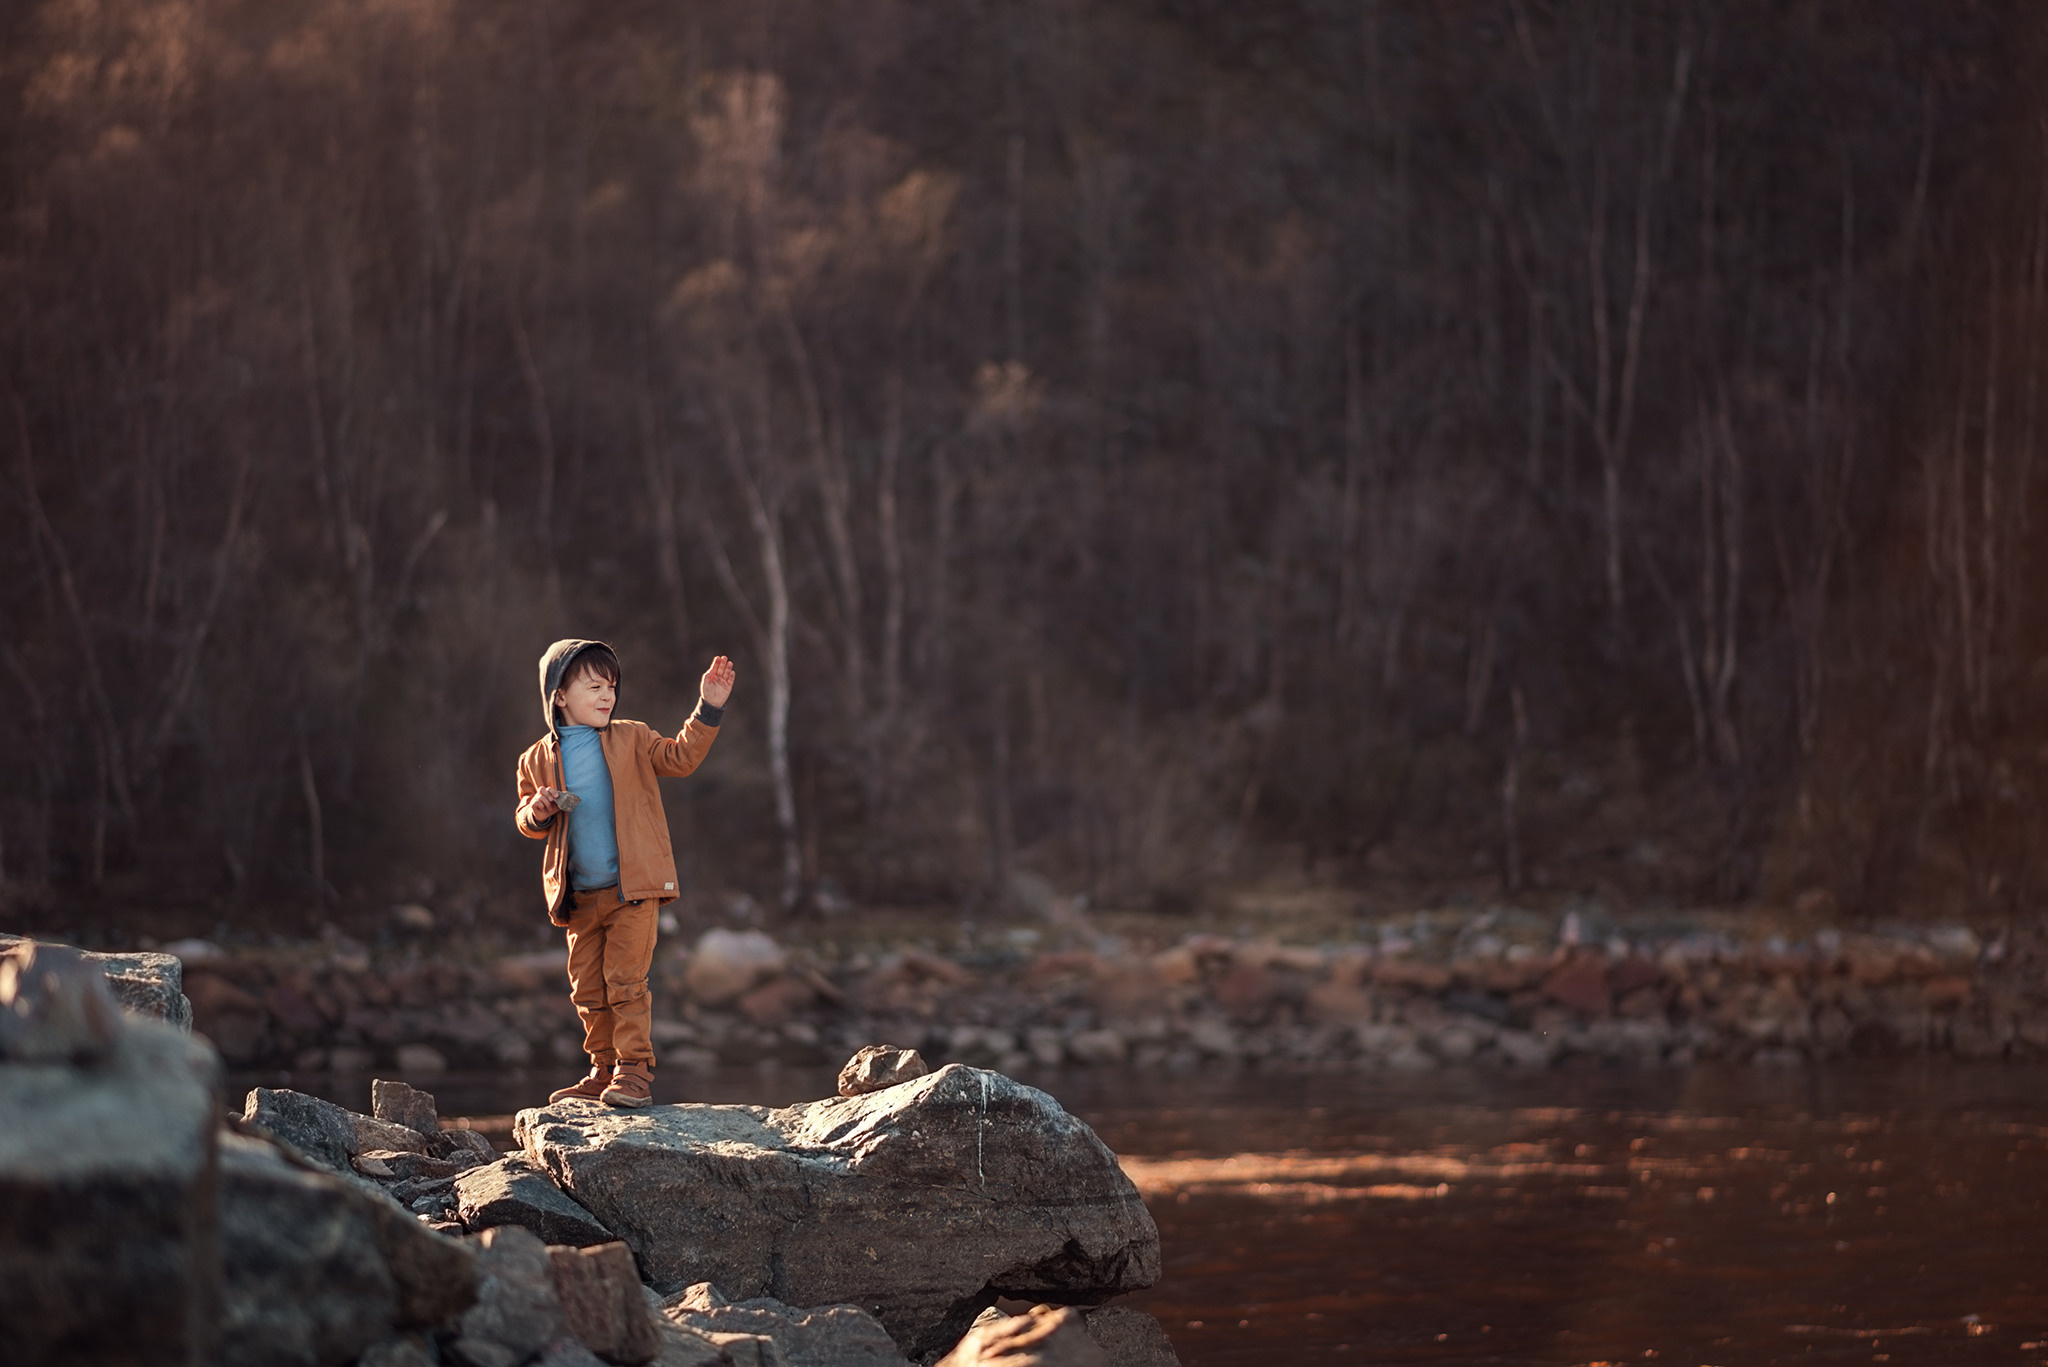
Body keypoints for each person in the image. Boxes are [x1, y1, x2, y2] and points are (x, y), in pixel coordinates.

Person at [514, 638, 736, 1107]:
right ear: (559, 695)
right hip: (578, 898)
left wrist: (709, 709)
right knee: (587, 990)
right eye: (594, 686)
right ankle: (603, 1069)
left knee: (626, 982)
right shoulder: (534, 759)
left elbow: (680, 758)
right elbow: (526, 820)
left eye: (611, 687)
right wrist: (537, 810)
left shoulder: (632, 737)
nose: (607, 696)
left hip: (632, 890)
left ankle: (634, 1071)